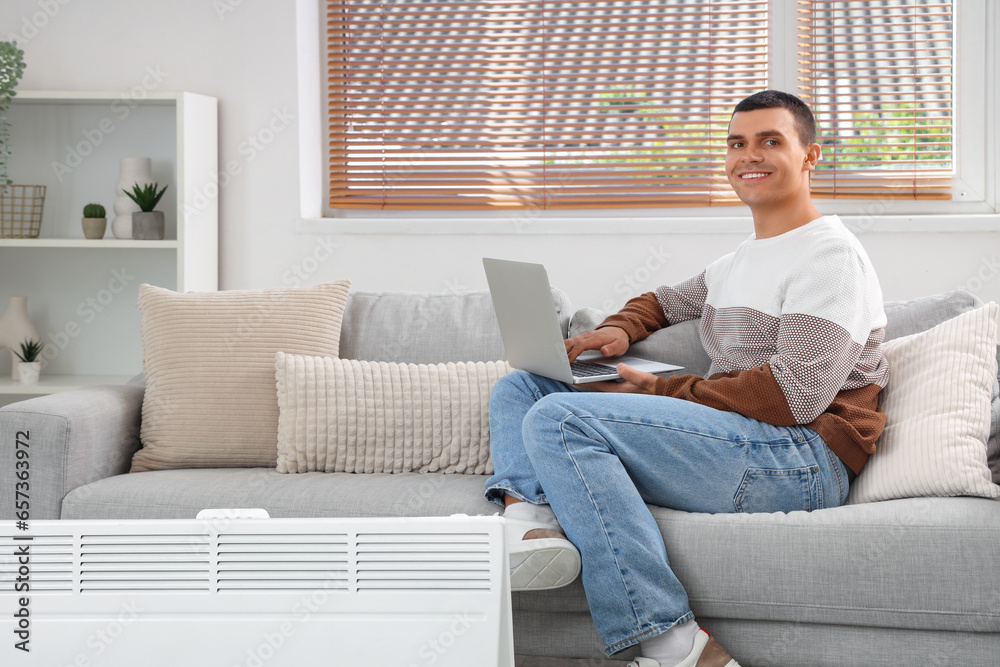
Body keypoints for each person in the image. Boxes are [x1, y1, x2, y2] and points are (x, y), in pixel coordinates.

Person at [484, 90, 890, 667]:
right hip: (734, 435)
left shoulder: (830, 257)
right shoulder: (741, 261)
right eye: (737, 143)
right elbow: (663, 299)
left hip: (800, 458)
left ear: (810, 156)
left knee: (558, 417)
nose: (749, 155)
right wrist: (621, 330)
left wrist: (660, 389)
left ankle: (678, 646)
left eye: (771, 141)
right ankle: (532, 527)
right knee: (522, 388)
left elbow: (794, 395)